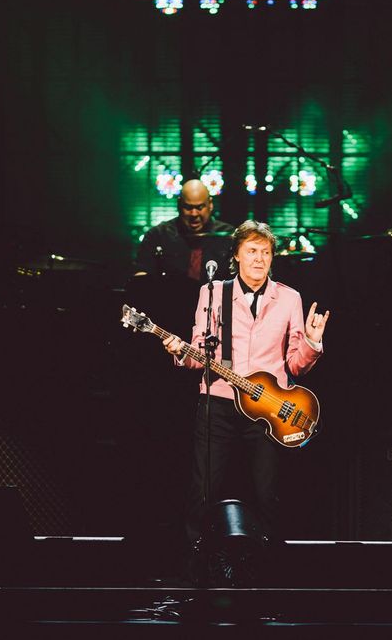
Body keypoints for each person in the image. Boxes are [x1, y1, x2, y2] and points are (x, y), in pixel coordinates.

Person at [162, 220, 330, 551]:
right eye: (251, 251)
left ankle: (269, 563)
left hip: (268, 408)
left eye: (265, 252)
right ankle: (198, 560)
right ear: (237, 255)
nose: (258, 258)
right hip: (219, 401)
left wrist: (312, 340)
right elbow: (199, 354)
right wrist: (180, 353)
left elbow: (296, 365)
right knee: (204, 488)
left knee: (268, 491)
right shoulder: (213, 293)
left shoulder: (288, 298)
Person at [133, 179, 235, 283]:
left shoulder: (228, 237)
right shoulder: (158, 235)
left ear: (210, 204)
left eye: (200, 207)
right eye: (188, 207)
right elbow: (141, 275)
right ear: (179, 205)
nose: (194, 214)